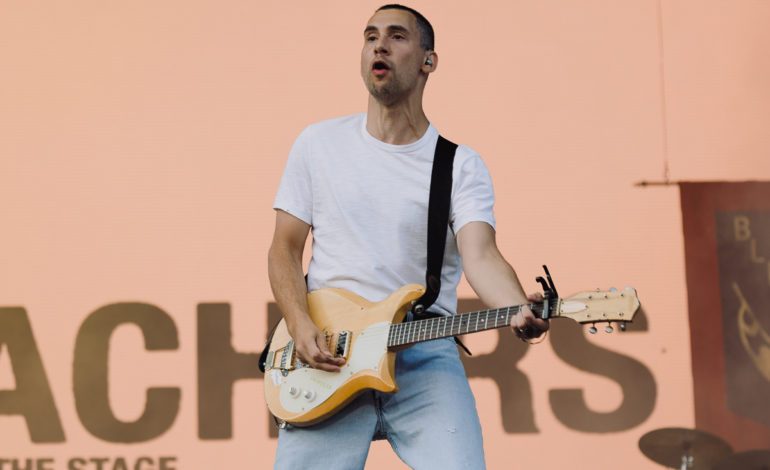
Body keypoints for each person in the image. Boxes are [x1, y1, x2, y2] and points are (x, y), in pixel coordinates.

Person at [267, 4, 549, 469]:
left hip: (423, 351)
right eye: (370, 36)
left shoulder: (459, 165)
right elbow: (284, 248)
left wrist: (517, 306)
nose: (379, 45)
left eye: (397, 36)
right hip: (330, 352)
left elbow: (481, 256)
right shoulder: (318, 144)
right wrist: (298, 323)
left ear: (428, 61)